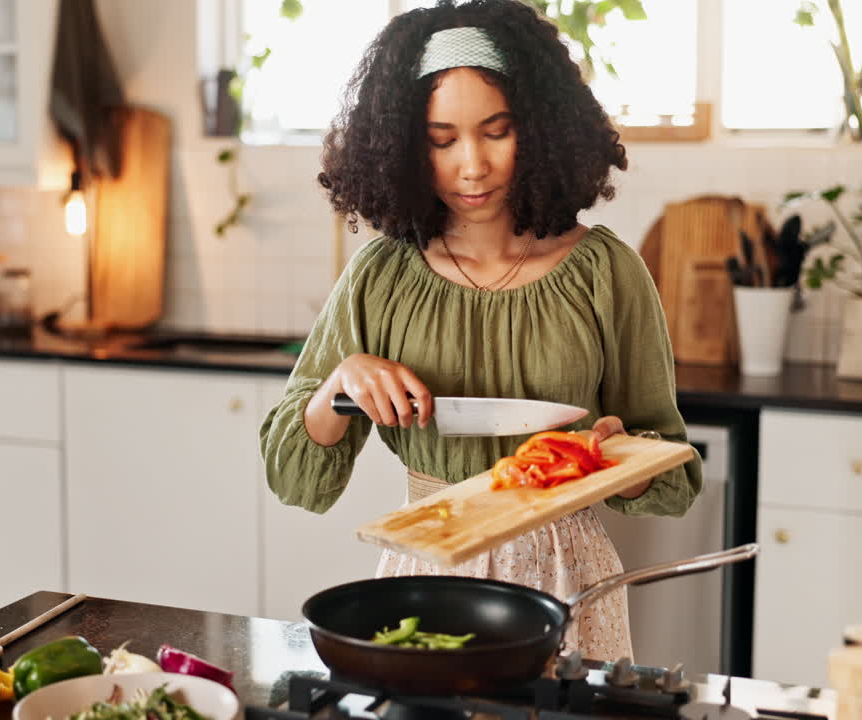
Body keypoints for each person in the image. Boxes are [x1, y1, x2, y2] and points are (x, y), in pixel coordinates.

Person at [259, 0, 702, 661]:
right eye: (441, 140)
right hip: (425, 574)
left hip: (568, 580)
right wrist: (338, 388)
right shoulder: (379, 276)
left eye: (497, 131)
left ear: (543, 129)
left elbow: (672, 476)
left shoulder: (607, 272)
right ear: (406, 146)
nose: (473, 165)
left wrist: (619, 462)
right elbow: (291, 475)